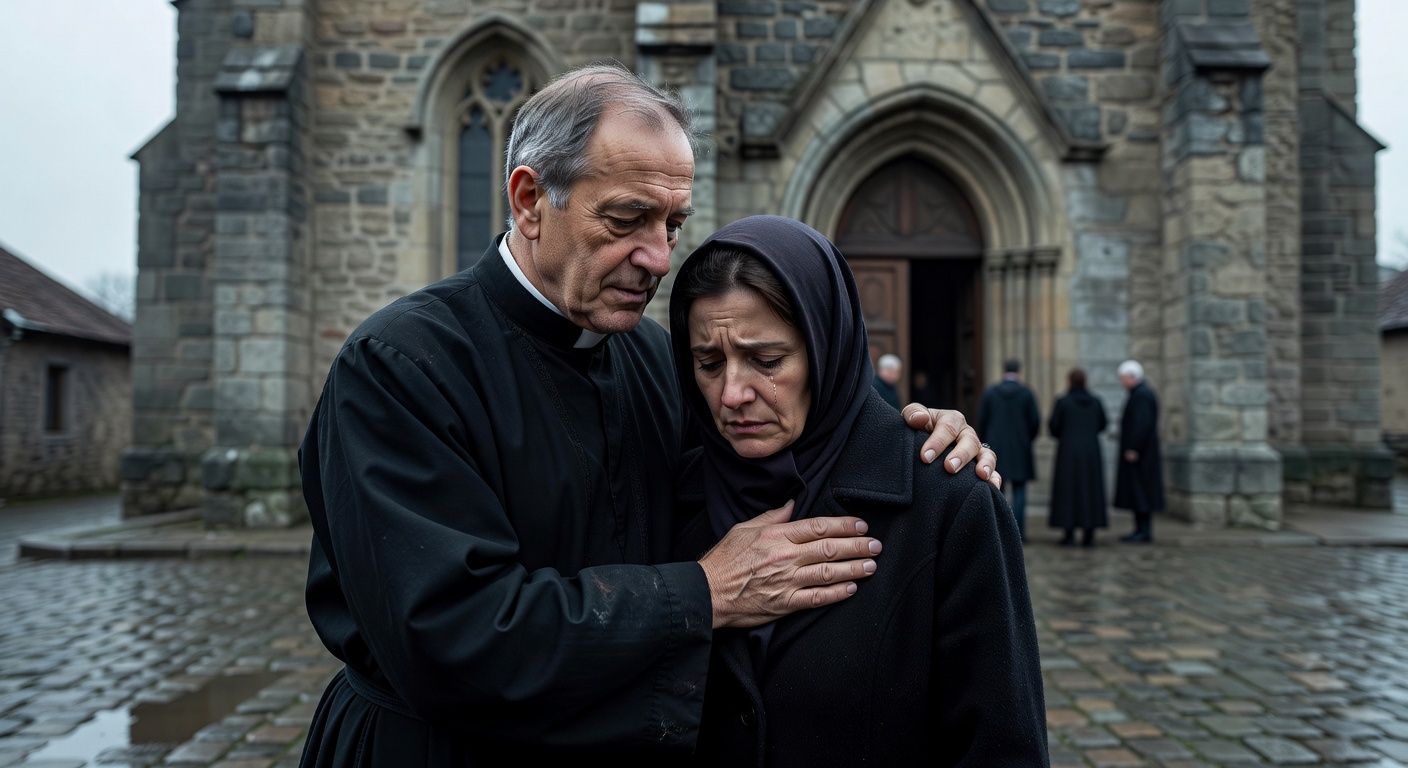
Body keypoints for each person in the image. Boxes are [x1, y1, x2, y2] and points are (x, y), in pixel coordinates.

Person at [297, 65, 998, 763]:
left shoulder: (656, 359)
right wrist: (703, 595)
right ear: (530, 200)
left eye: (673, 223)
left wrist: (910, 439)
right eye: (627, 220)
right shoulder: (398, 366)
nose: (659, 257)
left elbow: (774, 441)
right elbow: (447, 636)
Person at [668, 216, 1047, 766]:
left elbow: (1000, 747)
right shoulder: (669, 490)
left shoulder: (948, 503)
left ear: (828, 348)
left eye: (766, 361)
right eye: (708, 363)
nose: (732, 393)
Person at [977, 359, 1040, 540]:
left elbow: (982, 419)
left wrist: (985, 444)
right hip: (1020, 448)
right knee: (1020, 491)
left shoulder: (991, 393)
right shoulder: (1026, 393)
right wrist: (1026, 440)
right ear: (1018, 371)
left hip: (996, 448)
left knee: (997, 489)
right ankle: (1019, 532)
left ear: (1004, 370)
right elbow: (1034, 422)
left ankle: (1002, 532)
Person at [1048, 367, 1108, 547]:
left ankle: (1069, 535)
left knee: (1069, 492)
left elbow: (1053, 426)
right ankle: (1089, 534)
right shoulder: (1096, 402)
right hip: (1091, 452)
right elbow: (1103, 423)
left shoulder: (1063, 402)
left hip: (1068, 452)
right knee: (1090, 491)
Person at [1114, 359, 1164, 543]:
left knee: (1141, 492)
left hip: (1142, 456)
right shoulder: (1140, 394)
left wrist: (1134, 447)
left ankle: (1143, 531)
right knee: (1139, 493)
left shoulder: (1141, 395)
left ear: (1132, 377)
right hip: (1143, 453)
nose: (1122, 382)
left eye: (1123, 378)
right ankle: (1140, 529)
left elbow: (1142, 424)